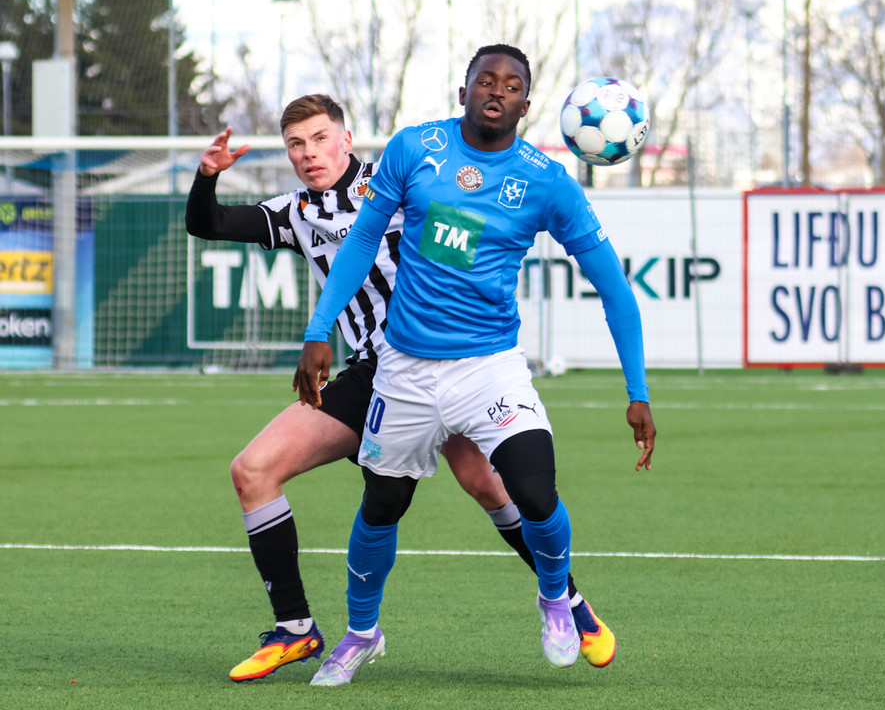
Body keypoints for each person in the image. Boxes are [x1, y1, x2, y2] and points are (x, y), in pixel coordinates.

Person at [184, 94, 611, 683]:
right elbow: (206, 223)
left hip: (446, 359)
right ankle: (295, 628)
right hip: (371, 372)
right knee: (253, 471)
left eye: (320, 139)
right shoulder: (293, 214)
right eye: (296, 145)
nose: (309, 154)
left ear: (346, 139)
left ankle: (567, 599)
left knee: (490, 486)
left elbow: (467, 235)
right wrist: (207, 176)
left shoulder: (405, 182)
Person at [296, 46, 656, 687]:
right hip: (404, 369)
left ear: (526, 103)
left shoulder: (547, 182)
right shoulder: (414, 149)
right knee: (383, 504)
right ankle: (360, 634)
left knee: (535, 491)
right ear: (463, 90)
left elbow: (614, 289)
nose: (497, 91)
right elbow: (362, 240)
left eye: (511, 85)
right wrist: (318, 331)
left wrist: (638, 390)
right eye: (485, 80)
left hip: (489, 367)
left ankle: (555, 598)